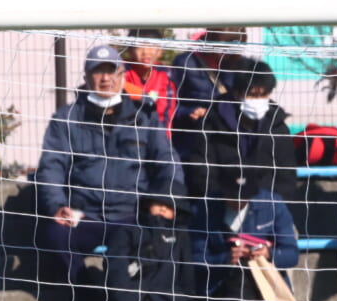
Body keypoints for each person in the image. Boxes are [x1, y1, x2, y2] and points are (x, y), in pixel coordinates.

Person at [35, 44, 183, 284]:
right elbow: (51, 166)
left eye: (112, 70)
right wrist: (57, 205)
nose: (106, 78)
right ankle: (84, 292)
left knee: (168, 234)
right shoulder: (66, 119)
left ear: (122, 75)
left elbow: (168, 161)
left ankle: (137, 298)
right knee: (56, 234)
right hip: (85, 215)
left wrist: (166, 201)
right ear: (86, 77)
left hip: (133, 214)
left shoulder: (143, 116)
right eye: (98, 71)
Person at [193, 169, 299, 301]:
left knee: (248, 277)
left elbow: (291, 254)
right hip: (217, 286)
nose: (239, 201)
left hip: (263, 286)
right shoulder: (206, 207)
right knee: (246, 280)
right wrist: (225, 258)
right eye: (233, 196)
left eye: (244, 196)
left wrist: (268, 254)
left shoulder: (272, 204)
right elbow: (195, 257)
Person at [183, 58, 299, 209]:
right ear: (237, 93)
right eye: (252, 95)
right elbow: (202, 171)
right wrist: (224, 202)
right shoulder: (212, 122)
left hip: (265, 208)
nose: (258, 101)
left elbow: (286, 177)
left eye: (264, 95)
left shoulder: (276, 127)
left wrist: (271, 208)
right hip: (219, 205)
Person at [168, 27, 246, 161]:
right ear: (212, 39)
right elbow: (168, 104)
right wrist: (189, 112)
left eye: (234, 46)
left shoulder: (240, 66)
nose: (228, 51)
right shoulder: (185, 63)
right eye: (224, 45)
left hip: (228, 141)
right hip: (193, 141)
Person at [122, 28, 178, 134]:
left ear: (160, 50)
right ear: (129, 50)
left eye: (151, 46)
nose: (146, 52)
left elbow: (166, 112)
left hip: (156, 134)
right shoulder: (121, 72)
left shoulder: (165, 74)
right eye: (139, 46)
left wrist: (162, 139)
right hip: (126, 132)